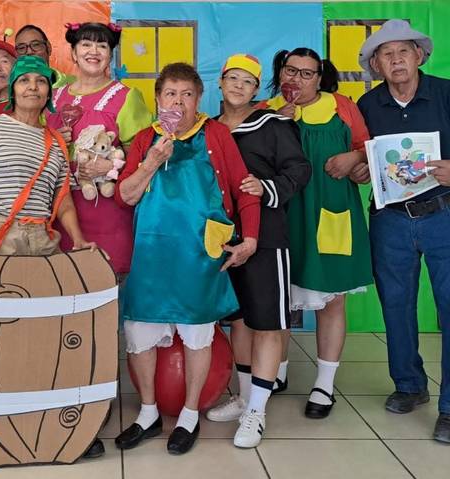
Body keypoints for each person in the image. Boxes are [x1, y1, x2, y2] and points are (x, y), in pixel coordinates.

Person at [0, 55, 104, 458]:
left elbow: (63, 202)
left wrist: (79, 240)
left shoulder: (56, 142)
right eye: (24, 80)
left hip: (40, 239)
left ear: (49, 92)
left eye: (41, 81)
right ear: (12, 88)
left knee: (42, 334)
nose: (33, 86)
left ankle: (48, 419)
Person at [113, 62, 260, 455]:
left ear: (199, 100)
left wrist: (250, 238)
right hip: (151, 254)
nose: (178, 102)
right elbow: (125, 196)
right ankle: (148, 412)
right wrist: (151, 161)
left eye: (187, 95)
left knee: (197, 334)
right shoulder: (145, 139)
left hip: (198, 253)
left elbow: (243, 188)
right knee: (139, 333)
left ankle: (190, 414)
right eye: (170, 95)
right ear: (158, 100)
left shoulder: (216, 135)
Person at [258, 48, 372, 419]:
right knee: (279, 300)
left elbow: (367, 150)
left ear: (320, 78)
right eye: (291, 71)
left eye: (307, 73)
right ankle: (277, 371)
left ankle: (324, 383)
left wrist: (356, 159)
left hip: (330, 212)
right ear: (281, 73)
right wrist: (274, 124)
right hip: (282, 216)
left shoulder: (343, 107)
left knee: (332, 299)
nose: (297, 79)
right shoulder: (265, 110)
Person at [206, 54, 310, 448]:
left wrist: (266, 188)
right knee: (239, 320)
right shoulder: (208, 128)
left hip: (266, 237)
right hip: (223, 238)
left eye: (247, 81)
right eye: (232, 78)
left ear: (256, 88)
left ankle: (257, 411)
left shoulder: (274, 125)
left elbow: (299, 170)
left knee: (267, 322)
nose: (238, 86)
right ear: (220, 82)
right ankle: (245, 396)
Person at [356, 19, 450, 443]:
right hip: (390, 219)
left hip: (444, 214)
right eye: (386, 54)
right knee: (395, 306)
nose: (395, 60)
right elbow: (362, 158)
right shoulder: (367, 105)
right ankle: (410, 385)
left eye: (403, 52)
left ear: (419, 55)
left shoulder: (446, 94)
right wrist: (359, 168)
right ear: (376, 65)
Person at [46, 22, 152, 277]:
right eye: (86, 44)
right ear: (73, 52)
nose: (93, 51)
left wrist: (112, 167)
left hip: (107, 213)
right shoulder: (52, 97)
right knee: (60, 285)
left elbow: (143, 158)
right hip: (57, 212)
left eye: (102, 46)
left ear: (110, 54)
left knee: (105, 283)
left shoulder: (126, 97)